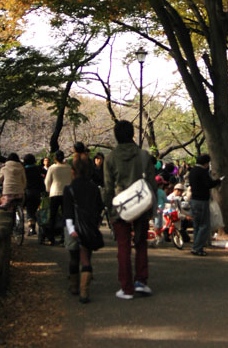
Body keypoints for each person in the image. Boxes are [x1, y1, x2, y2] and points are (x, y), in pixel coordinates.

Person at [104, 120, 157, 300]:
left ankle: (126, 288)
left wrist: (109, 210)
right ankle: (141, 282)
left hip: (120, 207)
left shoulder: (110, 158)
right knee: (141, 243)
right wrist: (152, 208)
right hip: (141, 204)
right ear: (133, 134)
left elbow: (108, 188)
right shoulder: (143, 156)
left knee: (123, 246)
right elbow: (152, 183)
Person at [63, 156, 104, 303]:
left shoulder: (69, 189)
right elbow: (99, 207)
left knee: (74, 258)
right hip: (89, 227)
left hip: (73, 227)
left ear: (73, 171)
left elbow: (67, 212)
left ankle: (74, 286)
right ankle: (84, 291)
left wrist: (71, 228)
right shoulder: (94, 188)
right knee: (86, 258)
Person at [188, 154, 223, 256]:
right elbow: (208, 184)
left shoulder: (192, 171)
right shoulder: (203, 172)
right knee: (204, 225)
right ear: (206, 163)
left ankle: (195, 245)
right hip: (202, 200)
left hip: (193, 200)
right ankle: (197, 248)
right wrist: (218, 181)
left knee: (197, 225)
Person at [45, 150, 72, 245]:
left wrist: (48, 190)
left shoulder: (52, 168)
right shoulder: (69, 167)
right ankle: (64, 238)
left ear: (55, 158)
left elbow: (47, 181)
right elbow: (72, 180)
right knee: (66, 216)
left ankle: (50, 238)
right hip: (67, 194)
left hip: (55, 193)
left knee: (53, 216)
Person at [23, 153, 45, 235]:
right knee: (36, 209)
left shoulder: (23, 170)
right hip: (38, 192)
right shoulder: (38, 168)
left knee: (29, 210)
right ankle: (39, 226)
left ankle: (31, 228)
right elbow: (45, 173)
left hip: (28, 192)